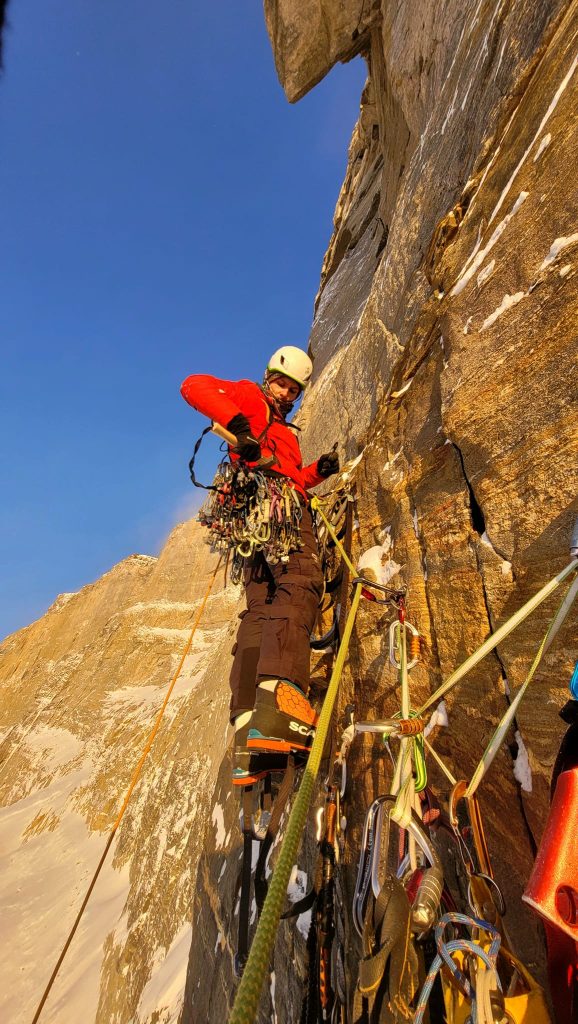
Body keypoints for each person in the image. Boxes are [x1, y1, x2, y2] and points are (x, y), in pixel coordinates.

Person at [181, 345, 340, 784]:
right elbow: (193, 385)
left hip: (255, 521)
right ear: (267, 377)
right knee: (301, 579)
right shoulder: (250, 399)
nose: (285, 391)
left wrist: (318, 472)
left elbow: (292, 475)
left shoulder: (283, 431)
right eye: (280, 382)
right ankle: (281, 700)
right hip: (276, 509)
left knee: (261, 608)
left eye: (293, 388)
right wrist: (236, 424)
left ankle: (246, 720)